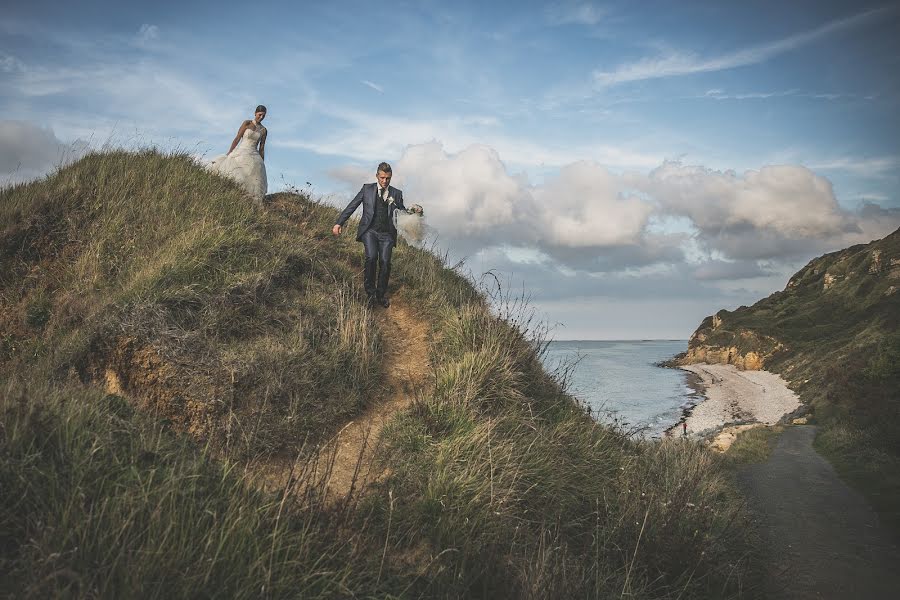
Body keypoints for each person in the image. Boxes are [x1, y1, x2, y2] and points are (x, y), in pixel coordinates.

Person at [332, 162, 407, 308]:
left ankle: (380, 294)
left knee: (385, 262)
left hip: (387, 234)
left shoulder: (397, 193)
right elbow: (352, 205)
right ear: (377, 176)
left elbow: (402, 213)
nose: (385, 181)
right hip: (370, 231)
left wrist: (414, 213)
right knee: (371, 257)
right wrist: (339, 223)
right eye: (382, 178)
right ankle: (370, 293)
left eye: (388, 178)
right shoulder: (367, 189)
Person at [208, 105, 268, 204]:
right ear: (255, 113)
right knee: (236, 173)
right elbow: (237, 138)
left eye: (264, 116)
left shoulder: (264, 130)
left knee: (254, 179)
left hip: (254, 154)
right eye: (260, 115)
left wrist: (262, 162)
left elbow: (261, 148)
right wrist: (230, 151)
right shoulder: (247, 123)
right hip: (241, 151)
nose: (261, 117)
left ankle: (248, 201)